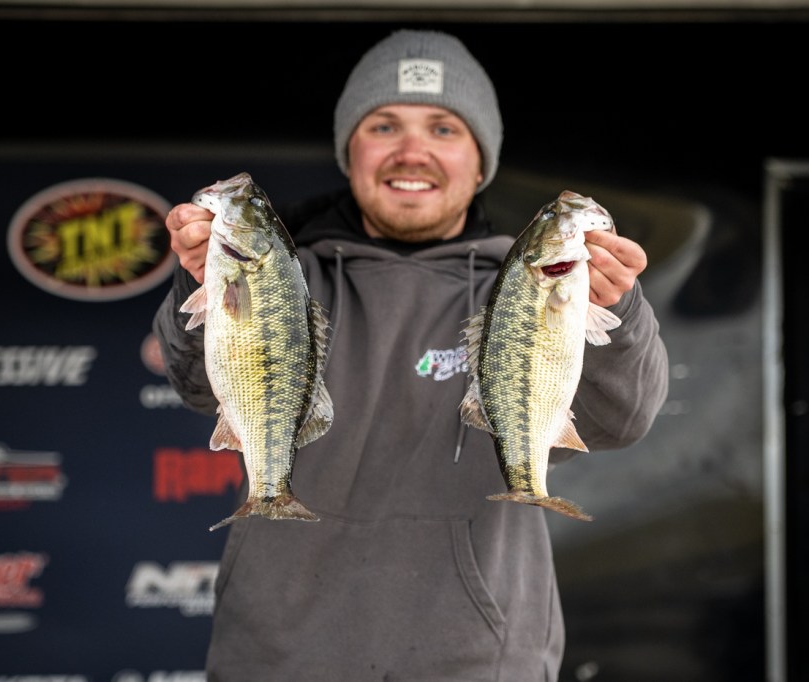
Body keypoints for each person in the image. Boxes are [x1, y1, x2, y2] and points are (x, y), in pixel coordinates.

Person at [153, 28, 668, 682]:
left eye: (444, 129)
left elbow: (621, 420)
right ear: (349, 153)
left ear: (482, 163)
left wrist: (614, 309)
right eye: (384, 126)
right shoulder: (281, 278)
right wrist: (202, 279)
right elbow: (198, 384)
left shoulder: (527, 289)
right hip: (276, 658)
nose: (412, 151)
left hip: (481, 663)